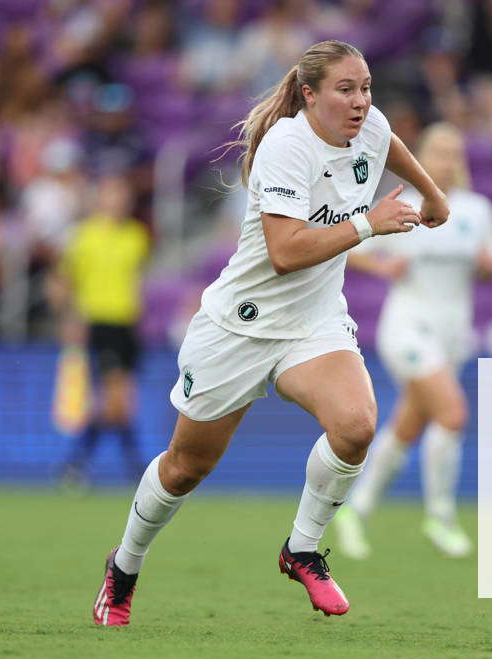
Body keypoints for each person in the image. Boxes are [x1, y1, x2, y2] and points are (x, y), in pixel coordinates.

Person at [91, 40, 449, 626]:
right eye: (345, 89)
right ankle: (124, 564)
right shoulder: (286, 146)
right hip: (241, 326)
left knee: (356, 425)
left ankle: (302, 548)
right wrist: (368, 223)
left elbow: (390, 144)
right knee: (186, 467)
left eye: (365, 88)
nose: (361, 101)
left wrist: (431, 193)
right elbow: (285, 253)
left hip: (313, 323)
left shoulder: (369, 124)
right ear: (309, 95)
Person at [334, 123, 492, 559]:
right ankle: (441, 516)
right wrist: (384, 268)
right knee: (452, 414)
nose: (446, 159)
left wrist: (486, 267)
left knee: (409, 425)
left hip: (452, 335)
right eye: (438, 151)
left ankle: (357, 508)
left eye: (453, 152)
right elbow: (348, 247)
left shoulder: (477, 210)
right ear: (420, 157)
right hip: (407, 327)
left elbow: (491, 266)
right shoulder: (403, 204)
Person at [52, 174, 150, 487]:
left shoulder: (136, 236)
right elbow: (66, 281)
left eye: (122, 195)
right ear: (100, 198)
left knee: (123, 405)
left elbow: (137, 281)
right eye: (111, 194)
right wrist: (70, 320)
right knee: (115, 401)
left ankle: (75, 467)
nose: (117, 201)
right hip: (100, 323)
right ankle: (135, 471)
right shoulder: (84, 236)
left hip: (128, 325)